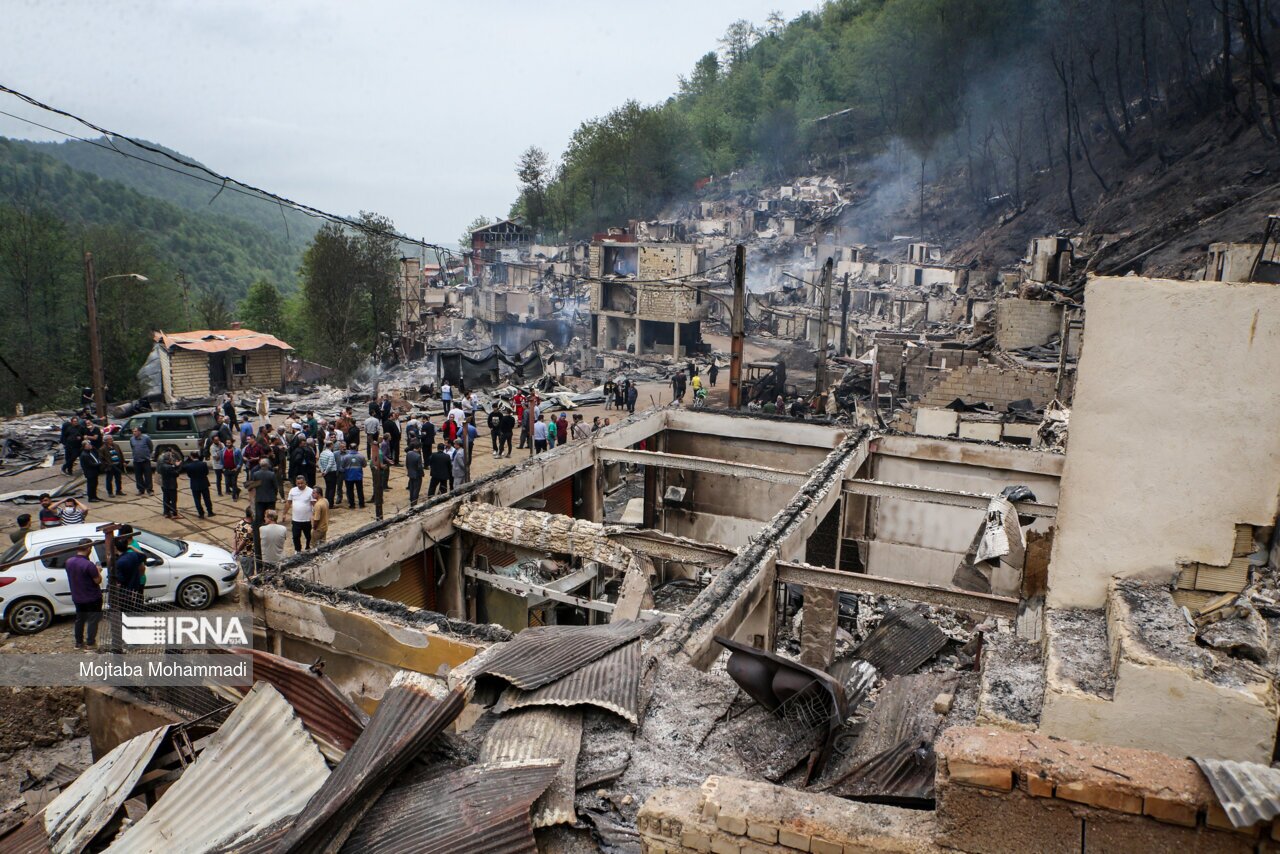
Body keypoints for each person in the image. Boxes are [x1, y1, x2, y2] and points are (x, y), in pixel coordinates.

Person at [65, 539, 103, 649]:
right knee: (93, 620)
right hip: (92, 597)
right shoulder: (89, 565)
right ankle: (90, 642)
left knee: (79, 619)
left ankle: (79, 642)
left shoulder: (69, 562)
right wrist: (98, 571)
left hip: (77, 597)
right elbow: (97, 581)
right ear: (88, 549)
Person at [286, 476, 314, 552]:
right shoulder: (292, 490)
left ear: (305, 482)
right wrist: (284, 513)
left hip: (307, 519)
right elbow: (289, 502)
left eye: (302, 483)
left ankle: (308, 547)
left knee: (308, 536)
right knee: (295, 536)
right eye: (298, 483)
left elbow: (313, 504)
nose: (300, 485)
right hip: (296, 519)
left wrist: (314, 515)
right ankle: (297, 550)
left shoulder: (310, 491)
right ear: (296, 483)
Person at [182, 451, 214, 518]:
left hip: (194, 484)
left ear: (191, 457)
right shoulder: (203, 464)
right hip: (204, 483)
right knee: (207, 499)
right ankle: (210, 512)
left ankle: (201, 513)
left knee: (197, 500)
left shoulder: (189, 466)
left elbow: (189, 475)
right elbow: (206, 473)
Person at [250, 459, 278, 525]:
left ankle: (259, 530)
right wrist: (275, 495)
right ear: (268, 465)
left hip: (259, 498)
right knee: (271, 516)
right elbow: (275, 487)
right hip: (270, 498)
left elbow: (253, 486)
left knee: (259, 517)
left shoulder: (256, 474)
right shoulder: (272, 474)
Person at [233, 506, 256, 578]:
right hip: (247, 555)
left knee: (246, 573)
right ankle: (248, 589)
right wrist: (238, 550)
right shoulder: (250, 528)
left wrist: (235, 549)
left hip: (241, 555)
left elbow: (235, 537)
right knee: (249, 576)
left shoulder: (240, 522)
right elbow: (244, 541)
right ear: (252, 515)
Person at [129, 427, 154, 495]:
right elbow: (132, 447)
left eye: (135, 431)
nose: (134, 433)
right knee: (138, 476)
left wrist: (147, 454)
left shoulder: (146, 438)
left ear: (139, 432)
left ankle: (149, 490)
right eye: (133, 431)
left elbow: (150, 447)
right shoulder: (131, 439)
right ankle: (141, 490)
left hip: (145, 460)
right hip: (136, 461)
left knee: (148, 476)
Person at [370, 440, 387, 520]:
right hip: (377, 472)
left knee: (377, 486)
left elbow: (378, 463)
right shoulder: (375, 452)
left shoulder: (378, 453)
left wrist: (379, 467)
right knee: (377, 486)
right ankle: (377, 498)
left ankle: (378, 499)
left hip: (378, 473)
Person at [319, 440, 339, 506]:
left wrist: (322, 471)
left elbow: (320, 463)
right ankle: (330, 504)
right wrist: (325, 472)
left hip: (325, 472)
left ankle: (326, 501)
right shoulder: (331, 454)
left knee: (328, 487)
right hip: (331, 472)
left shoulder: (322, 453)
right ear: (331, 446)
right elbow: (330, 464)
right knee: (332, 489)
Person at [405, 440, 424, 506]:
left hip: (410, 473)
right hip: (417, 475)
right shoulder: (418, 456)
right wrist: (422, 474)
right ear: (419, 448)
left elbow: (407, 464)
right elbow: (419, 467)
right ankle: (414, 502)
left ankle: (411, 500)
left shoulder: (409, 453)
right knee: (416, 489)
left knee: (411, 488)